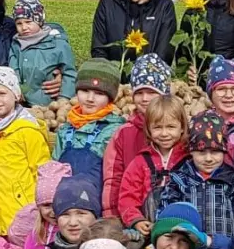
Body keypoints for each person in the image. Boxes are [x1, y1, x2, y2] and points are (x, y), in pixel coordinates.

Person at [154, 113, 234, 249]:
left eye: (215, 152)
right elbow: (164, 219)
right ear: (191, 152)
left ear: (224, 151)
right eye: (201, 152)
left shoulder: (232, 181)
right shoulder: (179, 181)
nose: (208, 158)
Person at [0, 66, 53, 237]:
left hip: (22, 217)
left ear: (16, 95)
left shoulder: (27, 131)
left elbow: (42, 172)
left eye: (2, 93)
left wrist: (40, 211)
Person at [101, 53, 172, 217]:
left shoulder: (177, 130)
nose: (145, 98)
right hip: (130, 214)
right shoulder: (124, 133)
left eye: (151, 92)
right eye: (139, 93)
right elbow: (113, 179)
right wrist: (111, 215)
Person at [115, 96, 188, 235]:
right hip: (148, 231)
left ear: (182, 128)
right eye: (158, 128)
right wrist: (136, 220)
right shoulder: (140, 162)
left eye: (171, 127)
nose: (164, 133)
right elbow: (127, 197)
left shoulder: (189, 160)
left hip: (182, 230)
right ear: (148, 129)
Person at [54, 59, 127, 194]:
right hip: (65, 203)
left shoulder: (116, 130)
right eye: (85, 91)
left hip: (99, 203)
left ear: (110, 98)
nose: (90, 98)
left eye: (99, 94)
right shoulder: (65, 131)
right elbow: (54, 170)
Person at [5, 0, 77, 107]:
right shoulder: (16, 45)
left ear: (39, 21)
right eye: (19, 23)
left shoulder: (58, 44)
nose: (24, 27)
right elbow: (13, 69)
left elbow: (69, 73)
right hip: (23, 105)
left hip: (50, 103)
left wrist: (64, 98)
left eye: (28, 22)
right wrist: (16, 87)